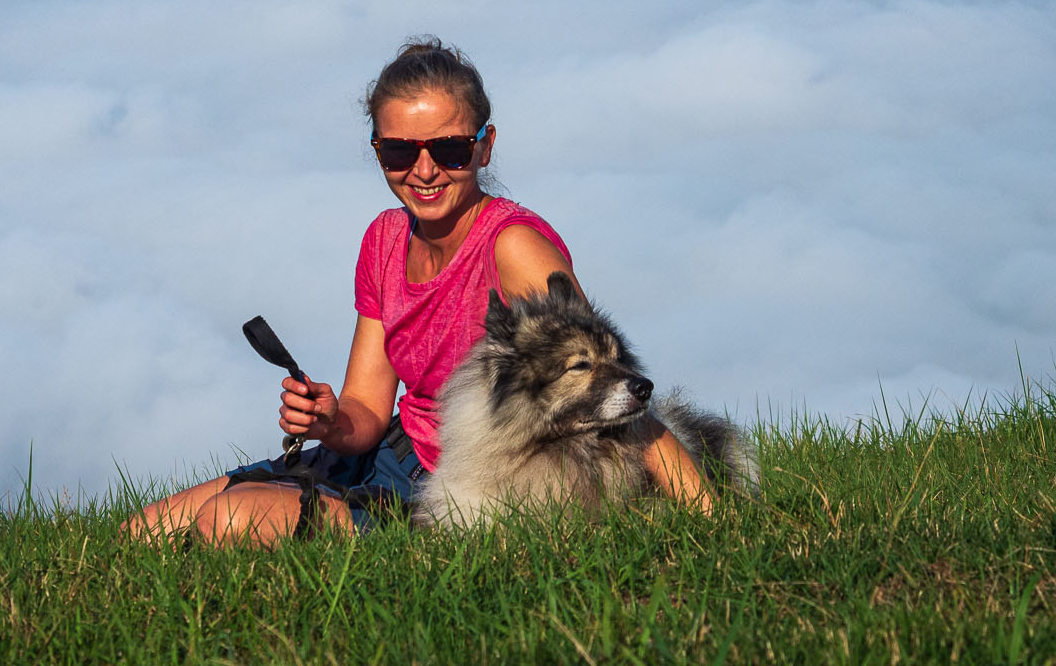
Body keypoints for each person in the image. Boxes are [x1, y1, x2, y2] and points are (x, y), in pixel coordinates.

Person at [124, 37, 713, 545]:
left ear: (484, 146)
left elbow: (607, 388)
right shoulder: (383, 240)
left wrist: (711, 521)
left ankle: (396, 536)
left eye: (450, 150)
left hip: (462, 485)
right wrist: (328, 420)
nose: (425, 171)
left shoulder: (513, 247)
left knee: (227, 522)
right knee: (142, 535)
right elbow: (368, 411)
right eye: (401, 151)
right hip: (386, 454)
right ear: (378, 150)